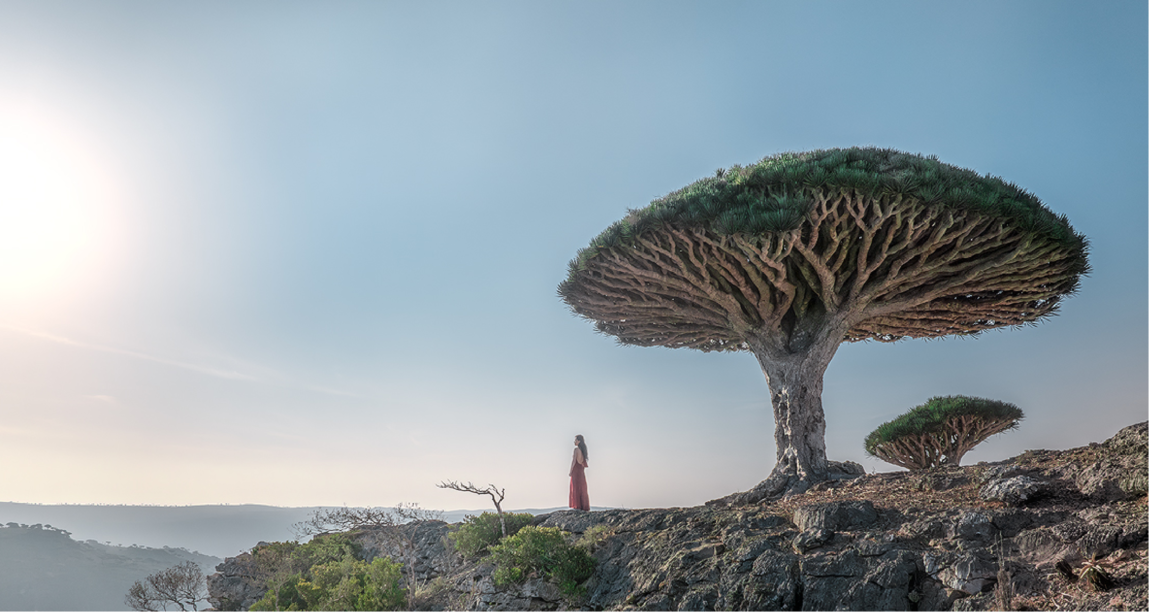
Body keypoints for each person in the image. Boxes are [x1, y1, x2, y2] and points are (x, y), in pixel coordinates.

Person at [569, 434, 590, 511]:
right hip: (581, 471)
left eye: (575, 440)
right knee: (582, 488)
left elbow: (574, 461)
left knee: (575, 487)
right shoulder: (583, 451)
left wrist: (571, 471)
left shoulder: (576, 450)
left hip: (576, 470)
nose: (574, 442)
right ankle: (583, 506)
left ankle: (577, 506)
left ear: (579, 441)